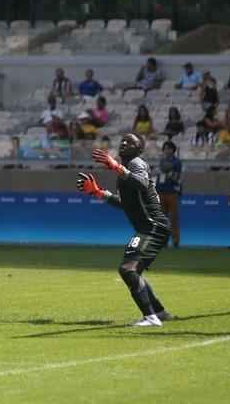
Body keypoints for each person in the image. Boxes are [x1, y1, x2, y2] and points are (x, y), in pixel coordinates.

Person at [77, 134, 173, 326]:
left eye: (131, 142)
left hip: (152, 226)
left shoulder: (137, 163)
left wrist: (116, 167)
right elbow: (125, 203)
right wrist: (98, 192)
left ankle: (151, 317)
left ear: (139, 149)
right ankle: (159, 312)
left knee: (128, 269)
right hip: (149, 226)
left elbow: (142, 183)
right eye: (122, 140)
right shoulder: (127, 169)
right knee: (133, 270)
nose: (124, 143)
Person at [156, 140, 183, 248]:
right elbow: (159, 174)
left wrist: (168, 172)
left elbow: (176, 177)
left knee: (174, 218)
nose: (167, 150)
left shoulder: (177, 162)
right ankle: (163, 241)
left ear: (173, 150)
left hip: (172, 192)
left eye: (169, 148)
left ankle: (175, 241)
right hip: (161, 191)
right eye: (165, 148)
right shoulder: (161, 161)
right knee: (162, 219)